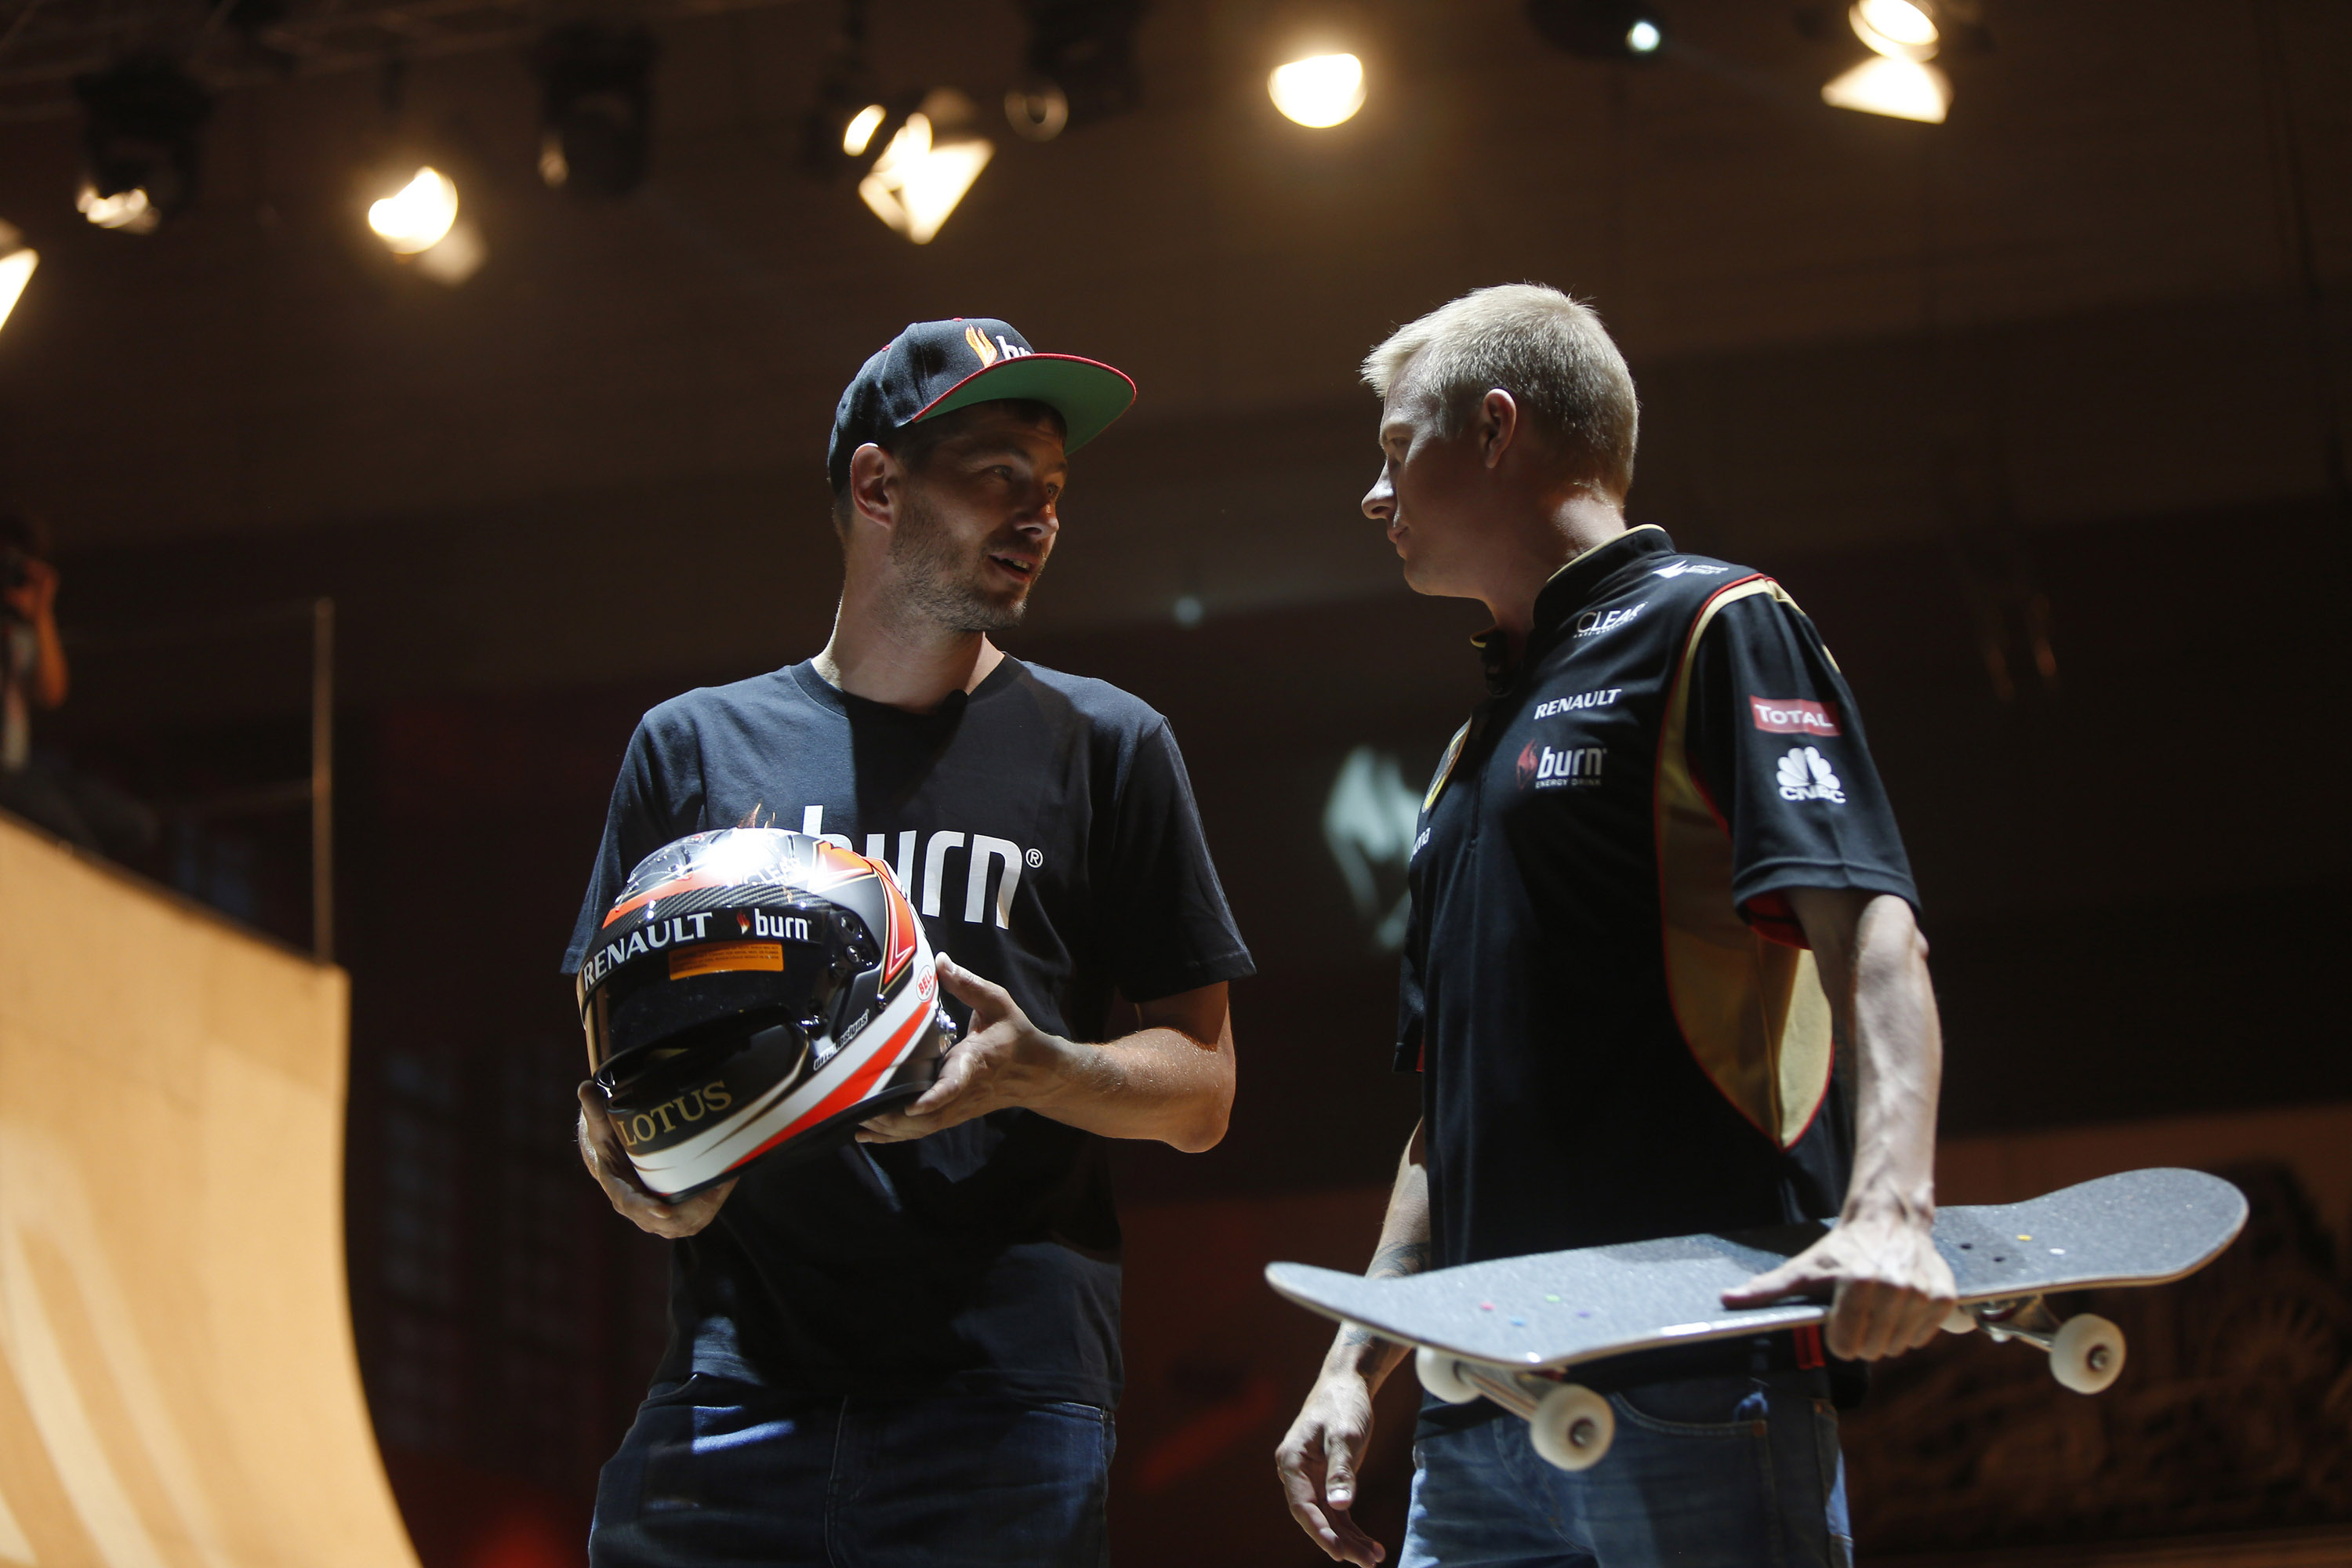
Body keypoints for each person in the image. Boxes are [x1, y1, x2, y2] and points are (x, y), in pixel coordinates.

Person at [1274, 285, 1955, 1568]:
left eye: (1393, 447)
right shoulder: (1468, 753)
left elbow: (1875, 933)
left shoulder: (1721, 624)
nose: (1373, 495)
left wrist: (1892, 1211)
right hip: (1478, 1420)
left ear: (1494, 427)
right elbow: (1446, 1121)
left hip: (1693, 1384)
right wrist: (1358, 1364)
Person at [564, 317, 1254, 1568]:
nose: (1038, 514)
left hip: (1001, 1401)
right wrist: (634, 1164)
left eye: (1053, 490)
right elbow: (610, 1074)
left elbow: (1203, 1094)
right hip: (732, 1390)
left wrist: (1043, 1067)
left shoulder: (1111, 746)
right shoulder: (695, 749)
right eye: (998, 474)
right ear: (878, 485)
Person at [0, 511, 157, 858]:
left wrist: (42, 613)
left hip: (21, 766)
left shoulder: (21, 631)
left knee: (135, 824)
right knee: (77, 845)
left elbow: (52, 693)